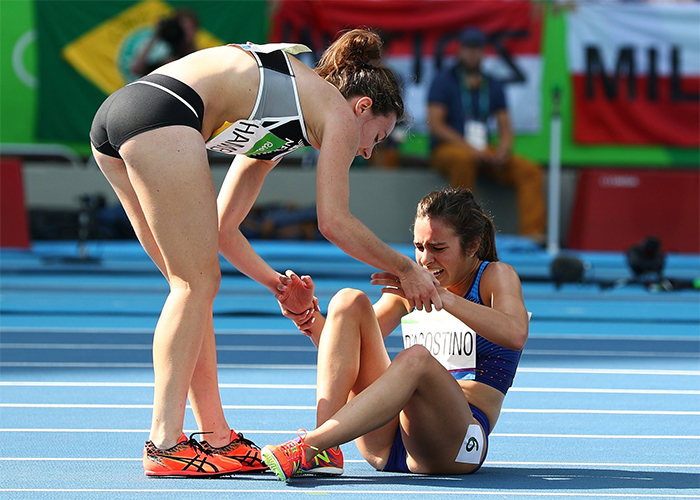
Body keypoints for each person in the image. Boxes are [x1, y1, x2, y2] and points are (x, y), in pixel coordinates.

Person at [89, 28, 442, 477]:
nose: (369, 151)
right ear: (363, 107)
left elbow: (223, 227)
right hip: (162, 112)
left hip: (121, 116)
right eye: (379, 134)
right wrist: (405, 268)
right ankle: (164, 443)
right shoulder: (335, 110)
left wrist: (277, 284)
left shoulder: (285, 121)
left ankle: (216, 438)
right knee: (194, 285)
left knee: (192, 293)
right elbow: (334, 221)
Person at [262, 187, 529, 481]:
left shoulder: (495, 276)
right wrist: (307, 317)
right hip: (388, 440)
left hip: (457, 443)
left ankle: (311, 444)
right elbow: (345, 348)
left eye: (438, 249)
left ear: (472, 245)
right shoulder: (409, 289)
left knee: (417, 359)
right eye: (419, 247)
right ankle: (326, 449)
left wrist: (443, 298)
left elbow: (515, 333)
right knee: (348, 301)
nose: (425, 260)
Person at [427, 27, 546, 242]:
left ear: (484, 52)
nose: (473, 54)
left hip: (483, 149)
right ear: (459, 51)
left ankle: (532, 235)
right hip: (450, 150)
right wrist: (470, 149)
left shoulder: (492, 83)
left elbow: (505, 127)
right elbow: (436, 125)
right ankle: (465, 233)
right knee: (463, 160)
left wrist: (503, 149)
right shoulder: (444, 80)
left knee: (530, 171)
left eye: (477, 49)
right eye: (468, 49)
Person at [130, 9, 199, 78]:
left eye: (188, 28)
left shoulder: (198, 59)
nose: (184, 32)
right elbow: (137, 69)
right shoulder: (163, 57)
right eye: (181, 28)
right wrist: (156, 34)